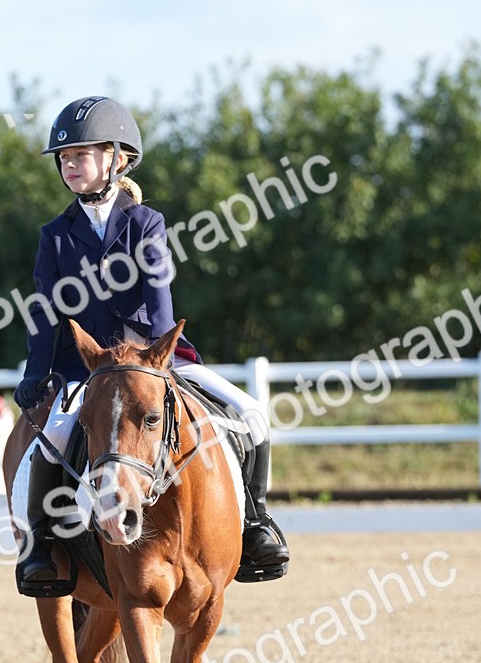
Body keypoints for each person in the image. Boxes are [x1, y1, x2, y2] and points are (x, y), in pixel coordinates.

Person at [15, 95, 288, 592]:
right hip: (86, 366)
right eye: (64, 158)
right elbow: (45, 310)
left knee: (251, 414)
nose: (69, 164)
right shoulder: (55, 236)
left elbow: (159, 302)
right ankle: (40, 545)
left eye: (81, 154)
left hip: (154, 357)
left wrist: (147, 361)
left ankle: (255, 523)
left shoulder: (146, 223)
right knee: (50, 440)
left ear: (117, 159)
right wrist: (37, 371)